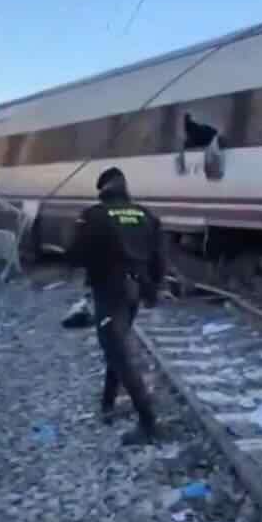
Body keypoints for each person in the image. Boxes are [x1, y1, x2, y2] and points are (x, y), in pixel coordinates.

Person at [66, 167, 166, 445]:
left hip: (110, 292)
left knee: (117, 352)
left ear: (103, 191)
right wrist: (154, 290)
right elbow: (159, 257)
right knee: (117, 345)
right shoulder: (145, 215)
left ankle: (148, 423)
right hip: (136, 291)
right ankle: (108, 403)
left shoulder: (95, 215)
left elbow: (74, 255)